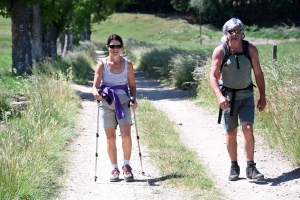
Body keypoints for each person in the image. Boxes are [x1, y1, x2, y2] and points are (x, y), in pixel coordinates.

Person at [209, 18, 266, 181]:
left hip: (246, 95)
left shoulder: (251, 49)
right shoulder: (220, 51)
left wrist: (262, 96)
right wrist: (219, 97)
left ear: (242, 32)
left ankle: (251, 167)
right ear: (226, 34)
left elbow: (258, 74)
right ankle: (234, 165)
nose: (234, 34)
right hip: (228, 98)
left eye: (237, 31)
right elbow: (212, 76)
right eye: (230, 31)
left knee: (248, 128)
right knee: (231, 132)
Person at [92, 34, 138, 182]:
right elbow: (95, 86)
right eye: (112, 46)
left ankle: (127, 166)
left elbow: (132, 85)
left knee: (126, 135)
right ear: (108, 48)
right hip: (106, 102)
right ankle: (114, 168)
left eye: (118, 46)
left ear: (121, 47)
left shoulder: (128, 64)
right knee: (110, 138)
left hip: (124, 102)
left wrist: (134, 99)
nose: (115, 49)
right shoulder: (102, 65)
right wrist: (96, 94)